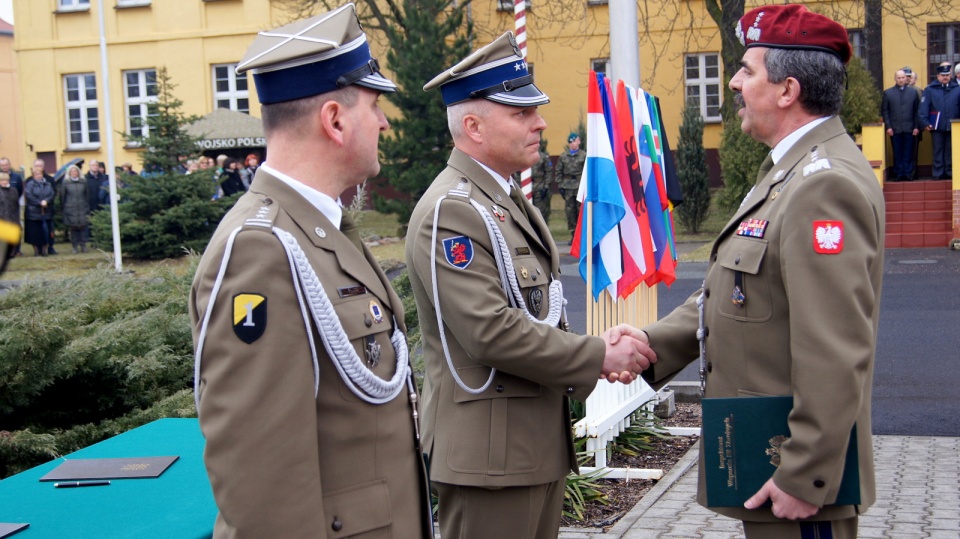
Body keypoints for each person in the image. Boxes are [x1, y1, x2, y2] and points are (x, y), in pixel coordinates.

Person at [626, 6, 885, 538]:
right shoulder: (787, 172)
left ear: (787, 90)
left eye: (747, 71)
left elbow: (835, 346)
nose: (734, 82)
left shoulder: (821, 185)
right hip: (766, 458)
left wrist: (804, 473)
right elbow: (736, 291)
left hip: (792, 480)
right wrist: (651, 344)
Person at [189, 5, 432, 538]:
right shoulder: (262, 249)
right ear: (335, 120)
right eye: (375, 106)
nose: (385, 122)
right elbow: (262, 481)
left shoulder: (319, 227)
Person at [408, 32, 656, 539]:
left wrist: (593, 349)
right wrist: (595, 355)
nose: (540, 121)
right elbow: (491, 333)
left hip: (526, 450)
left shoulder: (503, 200)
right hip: (490, 459)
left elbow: (540, 315)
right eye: (521, 113)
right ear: (473, 126)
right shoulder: (453, 211)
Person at [918, 62, 960, 180]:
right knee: (937, 150)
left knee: (951, 151)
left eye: (947, 75)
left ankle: (950, 172)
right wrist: (925, 122)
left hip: (954, 126)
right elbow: (924, 107)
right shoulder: (930, 89)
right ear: (938, 76)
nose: (945, 77)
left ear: (950, 75)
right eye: (943, 75)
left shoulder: (957, 89)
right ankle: (938, 173)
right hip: (936, 126)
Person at [881, 69, 920, 181]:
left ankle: (908, 173)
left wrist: (916, 126)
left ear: (906, 78)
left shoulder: (913, 93)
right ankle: (899, 173)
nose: (901, 80)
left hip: (910, 128)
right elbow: (885, 111)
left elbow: (917, 111)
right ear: (895, 79)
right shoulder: (888, 93)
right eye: (899, 78)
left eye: (903, 77)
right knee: (897, 152)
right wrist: (888, 126)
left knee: (908, 152)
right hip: (894, 128)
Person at [554, 131, 585, 243]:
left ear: (579, 142)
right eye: (570, 142)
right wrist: (560, 185)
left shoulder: (584, 155)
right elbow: (558, 171)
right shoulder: (563, 156)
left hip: (580, 186)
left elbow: (587, 172)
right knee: (570, 211)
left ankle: (582, 235)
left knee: (580, 210)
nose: (572, 144)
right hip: (567, 187)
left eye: (574, 141)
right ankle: (573, 235)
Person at [23, 163, 55, 257]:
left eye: (40, 174)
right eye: (36, 174)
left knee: (46, 232)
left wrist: (46, 201)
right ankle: (37, 251)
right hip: (33, 213)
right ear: (33, 175)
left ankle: (44, 250)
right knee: (35, 233)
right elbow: (29, 196)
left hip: (46, 212)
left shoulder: (47, 184)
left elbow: (51, 194)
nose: (39, 176)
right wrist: (39, 202)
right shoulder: (30, 184)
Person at [59, 165, 90, 253]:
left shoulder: (83, 182)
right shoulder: (66, 182)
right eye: (72, 172)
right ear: (69, 173)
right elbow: (63, 196)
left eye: (75, 171)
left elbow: (87, 195)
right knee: (73, 229)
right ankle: (75, 246)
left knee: (83, 227)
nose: (74, 173)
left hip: (82, 208)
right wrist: (65, 207)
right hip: (71, 209)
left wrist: (86, 206)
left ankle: (83, 245)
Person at [0, 158, 24, 256]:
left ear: (9, 164)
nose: (4, 167)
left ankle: (16, 250)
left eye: (6, 164)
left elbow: (20, 191)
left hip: (13, 210)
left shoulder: (17, 177)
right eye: (2, 165)